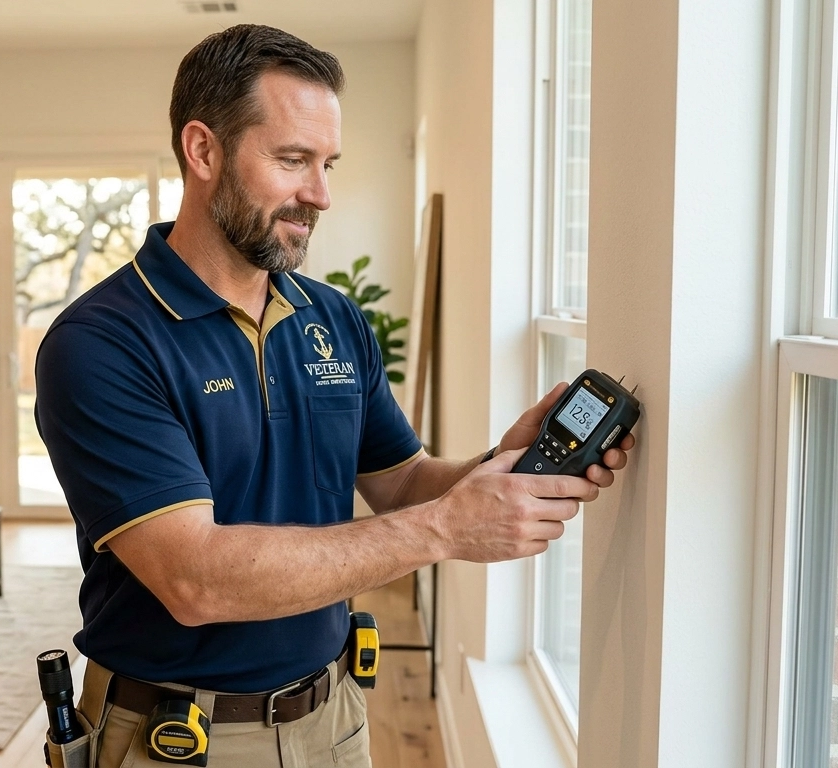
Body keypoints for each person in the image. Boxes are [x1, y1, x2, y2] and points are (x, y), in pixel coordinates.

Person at [34, 23, 634, 768]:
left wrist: (505, 459)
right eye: (292, 160)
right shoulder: (103, 342)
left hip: (336, 717)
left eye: (327, 163)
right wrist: (446, 530)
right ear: (203, 150)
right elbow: (194, 579)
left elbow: (403, 483)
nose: (319, 194)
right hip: (178, 741)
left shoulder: (333, 318)